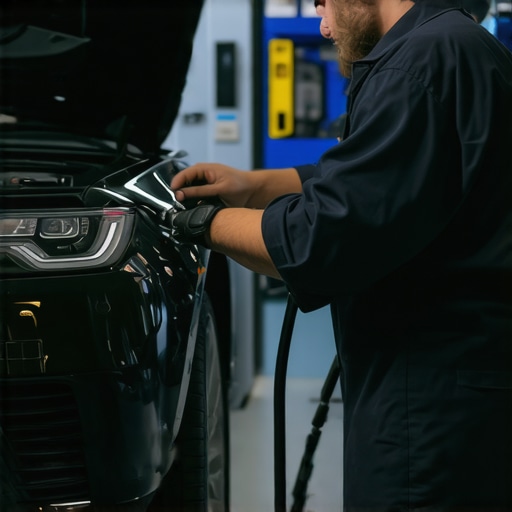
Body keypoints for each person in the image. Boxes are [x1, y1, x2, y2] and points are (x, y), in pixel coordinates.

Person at [170, 0, 512, 509]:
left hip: (426, 407)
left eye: (322, 2)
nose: (324, 25)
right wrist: (255, 185)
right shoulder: (457, 45)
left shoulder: (419, 62)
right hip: (460, 396)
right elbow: (381, 176)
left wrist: (193, 222)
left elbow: (319, 241)